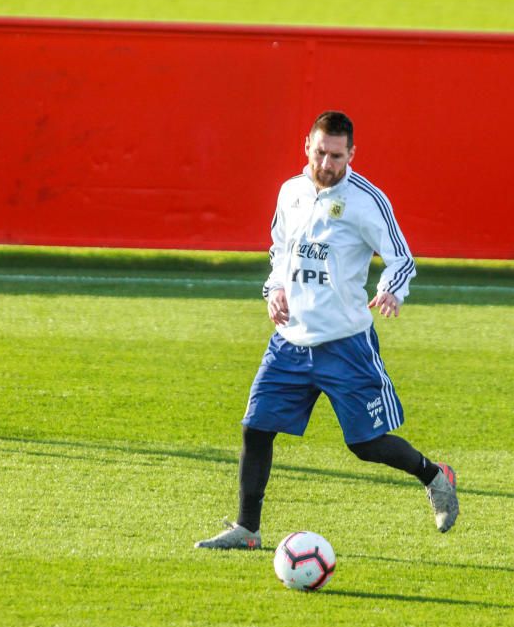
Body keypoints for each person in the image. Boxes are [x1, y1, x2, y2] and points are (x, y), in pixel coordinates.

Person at [195, 111, 458, 550]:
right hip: (290, 340)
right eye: (321, 152)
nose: (327, 163)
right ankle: (247, 530)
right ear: (307, 146)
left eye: (337, 155)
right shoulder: (291, 192)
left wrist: (391, 290)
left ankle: (434, 475)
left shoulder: (366, 200)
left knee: (366, 444)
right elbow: (280, 249)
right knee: (255, 427)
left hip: (345, 345)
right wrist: (275, 289)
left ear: (351, 154)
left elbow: (401, 259)